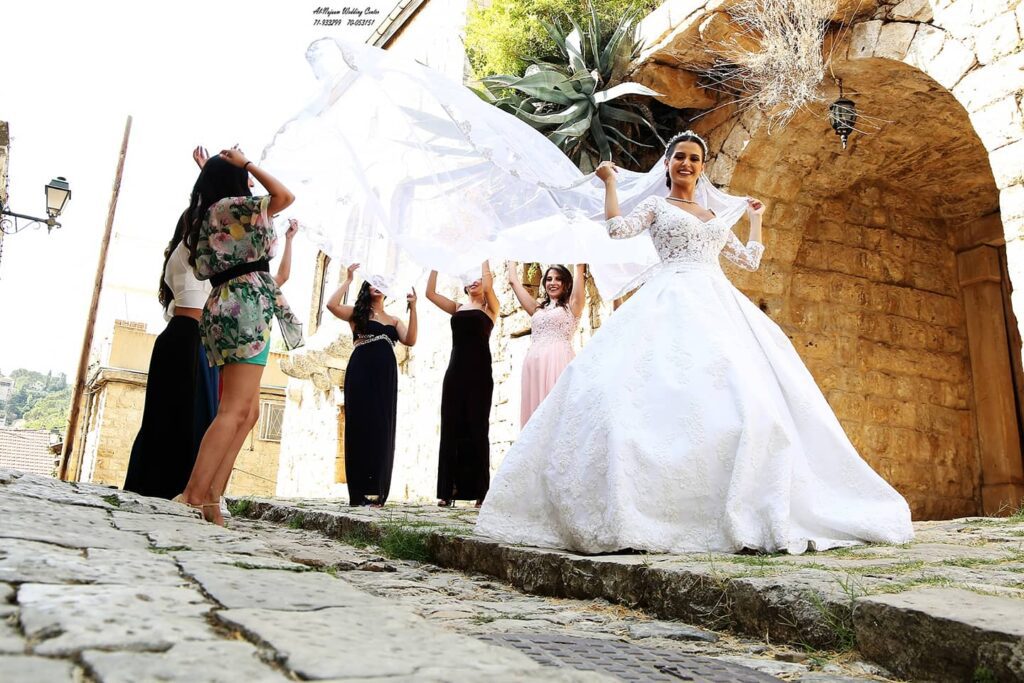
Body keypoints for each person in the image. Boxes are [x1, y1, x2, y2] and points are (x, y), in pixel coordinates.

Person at [476, 131, 914, 554]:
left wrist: (756, 219)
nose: (686, 163)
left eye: (695, 159)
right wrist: (610, 183)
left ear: (703, 169)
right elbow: (617, 230)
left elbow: (749, 260)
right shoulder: (655, 205)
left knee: (747, 397)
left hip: (718, 299)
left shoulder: (712, 218)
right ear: (667, 165)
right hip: (670, 294)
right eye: (680, 156)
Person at [177, 149, 301, 523]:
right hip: (244, 307)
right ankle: (194, 495)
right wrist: (246, 162)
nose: (249, 182)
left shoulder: (214, 212)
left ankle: (212, 499)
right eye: (243, 177)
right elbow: (284, 197)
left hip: (233, 304)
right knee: (235, 410)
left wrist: (218, 171)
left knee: (246, 414)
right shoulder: (231, 207)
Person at [121, 211, 220, 499]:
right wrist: (208, 178)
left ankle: (170, 483)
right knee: (184, 414)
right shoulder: (188, 252)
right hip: (188, 337)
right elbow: (210, 215)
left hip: (185, 337)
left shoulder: (184, 257)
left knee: (176, 413)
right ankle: (174, 485)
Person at [327, 264, 418, 506]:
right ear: (366, 288)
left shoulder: (394, 319)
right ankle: (358, 492)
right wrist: (347, 280)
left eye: (381, 283)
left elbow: (410, 340)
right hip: (360, 371)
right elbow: (331, 305)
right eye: (372, 282)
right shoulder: (358, 314)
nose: (377, 286)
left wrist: (414, 307)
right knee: (359, 426)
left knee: (382, 427)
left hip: (385, 376)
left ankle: (378, 490)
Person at [426, 263, 498, 507]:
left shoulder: (490, 308)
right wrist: (435, 262)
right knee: (451, 427)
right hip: (455, 372)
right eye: (469, 278)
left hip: (479, 374)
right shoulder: (457, 307)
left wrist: (484, 256)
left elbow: (488, 284)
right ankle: (447, 491)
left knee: (477, 428)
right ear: (464, 284)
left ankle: (481, 492)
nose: (474, 281)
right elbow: (430, 294)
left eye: (478, 277)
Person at [508, 263, 586, 426]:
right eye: (549, 279)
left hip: (557, 362)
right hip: (534, 366)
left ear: (566, 283)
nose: (553, 282)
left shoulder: (572, 306)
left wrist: (579, 260)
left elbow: (579, 269)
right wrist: (511, 257)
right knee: (536, 413)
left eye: (558, 279)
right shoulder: (538, 309)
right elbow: (514, 281)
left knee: (556, 410)